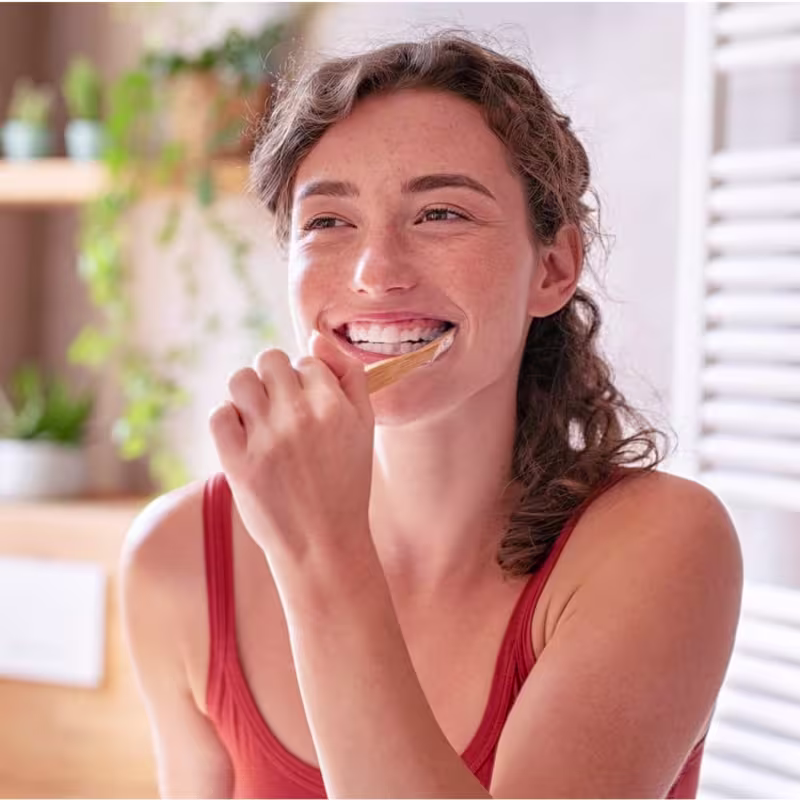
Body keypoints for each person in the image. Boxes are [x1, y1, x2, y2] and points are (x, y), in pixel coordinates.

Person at [120, 31, 743, 799]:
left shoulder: (660, 546)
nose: (375, 271)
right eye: (328, 222)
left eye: (441, 213)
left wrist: (322, 553)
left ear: (552, 269)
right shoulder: (179, 557)